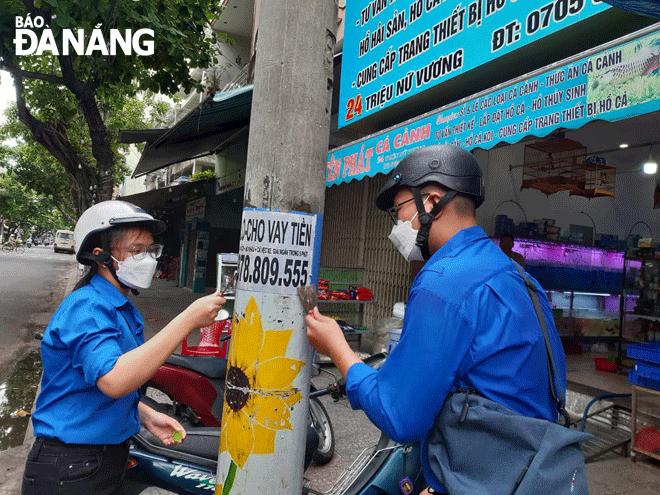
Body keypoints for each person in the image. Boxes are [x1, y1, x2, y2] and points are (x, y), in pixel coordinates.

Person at [305, 145, 570, 494]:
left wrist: (338, 349)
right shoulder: (521, 278)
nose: (398, 225)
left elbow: (400, 416)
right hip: (534, 470)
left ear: (431, 201)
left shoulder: (443, 280)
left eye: (399, 211)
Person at [22, 200, 226, 495]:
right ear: (101, 256)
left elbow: (92, 383)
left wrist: (143, 413)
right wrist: (187, 320)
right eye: (136, 251)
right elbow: (114, 379)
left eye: (151, 250)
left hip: (105, 459)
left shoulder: (116, 306)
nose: (148, 259)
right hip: (71, 467)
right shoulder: (88, 307)